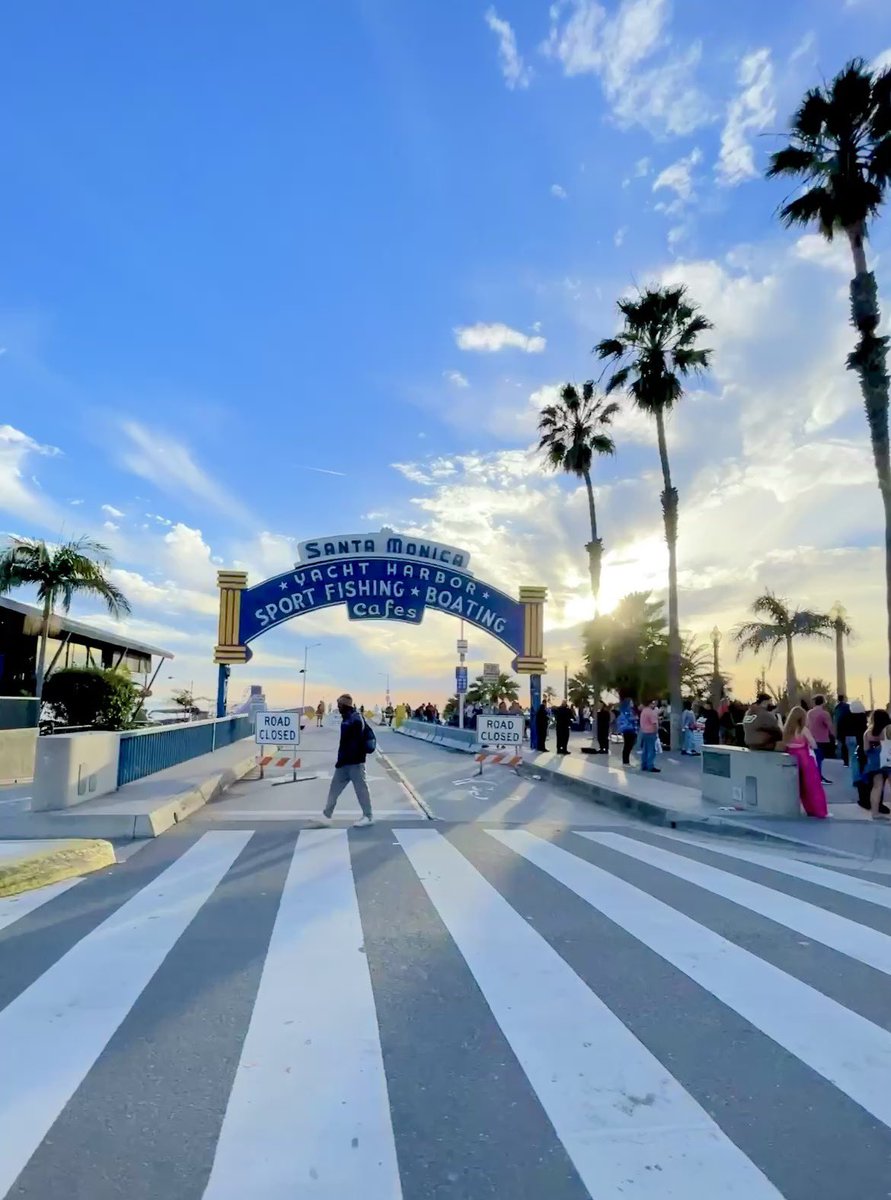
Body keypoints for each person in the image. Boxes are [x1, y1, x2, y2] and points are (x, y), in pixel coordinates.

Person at [311, 693, 375, 828]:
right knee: (334, 789)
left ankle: (368, 816)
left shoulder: (355, 719)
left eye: (339, 705)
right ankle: (326, 815)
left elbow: (355, 742)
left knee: (361, 790)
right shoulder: (347, 718)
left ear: (345, 705)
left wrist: (350, 757)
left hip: (355, 763)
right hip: (344, 763)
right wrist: (341, 759)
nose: (338, 707)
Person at [782, 706, 828, 819]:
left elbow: (784, 744)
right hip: (804, 758)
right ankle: (818, 811)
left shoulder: (786, 730)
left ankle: (806, 809)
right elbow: (813, 744)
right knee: (812, 786)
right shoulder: (803, 730)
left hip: (791, 757)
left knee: (799, 787)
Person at [863, 709, 891, 819]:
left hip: (874, 762)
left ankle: (875, 813)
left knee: (876, 787)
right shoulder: (888, 730)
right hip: (888, 760)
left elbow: (866, 749)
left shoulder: (867, 733)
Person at [806, 695, 834, 783]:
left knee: (815, 758)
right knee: (819, 758)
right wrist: (834, 735)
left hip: (811, 738)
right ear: (823, 702)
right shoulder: (824, 714)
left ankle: (816, 775)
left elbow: (807, 725)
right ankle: (818, 776)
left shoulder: (809, 713)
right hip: (822, 739)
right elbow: (830, 726)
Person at [638, 699, 661, 773]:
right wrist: (656, 732)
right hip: (651, 732)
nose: (654, 705)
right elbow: (654, 723)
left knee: (645, 750)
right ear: (650, 704)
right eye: (653, 703)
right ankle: (650, 766)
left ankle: (644, 765)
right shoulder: (651, 712)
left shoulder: (643, 711)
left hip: (644, 732)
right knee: (652, 750)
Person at [617, 697, 638, 765]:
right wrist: (634, 718)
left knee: (629, 745)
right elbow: (627, 719)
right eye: (631, 702)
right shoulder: (625, 711)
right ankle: (625, 761)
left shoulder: (631, 710)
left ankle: (626, 760)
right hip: (627, 729)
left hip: (632, 729)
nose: (632, 703)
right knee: (627, 745)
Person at [834, 694, 852, 766]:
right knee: (848, 746)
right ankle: (849, 760)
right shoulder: (848, 706)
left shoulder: (836, 708)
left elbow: (835, 720)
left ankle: (845, 761)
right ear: (844, 698)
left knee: (842, 745)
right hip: (848, 729)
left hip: (840, 729)